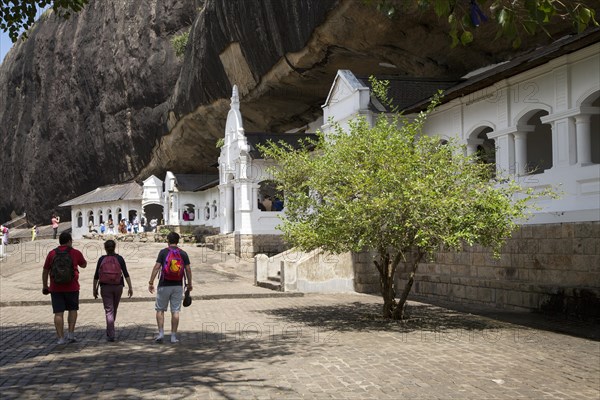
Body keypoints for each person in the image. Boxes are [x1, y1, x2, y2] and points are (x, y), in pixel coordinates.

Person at [42, 232, 87, 344]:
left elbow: (45, 270)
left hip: (55, 288)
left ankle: (60, 338)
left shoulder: (52, 253)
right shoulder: (75, 252)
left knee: (58, 313)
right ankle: (71, 334)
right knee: (72, 310)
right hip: (72, 287)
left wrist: (45, 285)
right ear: (69, 241)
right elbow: (84, 264)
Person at [148, 231, 192, 343]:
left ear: (168, 241)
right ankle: (173, 337)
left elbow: (157, 267)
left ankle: (161, 334)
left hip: (164, 284)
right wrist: (189, 284)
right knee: (175, 311)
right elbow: (187, 269)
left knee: (160, 309)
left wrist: (151, 282)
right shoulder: (183, 253)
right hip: (177, 285)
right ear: (178, 241)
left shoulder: (163, 252)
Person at [93, 240, 133, 342]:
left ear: (105, 248)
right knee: (113, 309)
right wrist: (130, 287)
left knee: (109, 310)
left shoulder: (101, 259)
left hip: (105, 287)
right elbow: (126, 273)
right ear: (115, 247)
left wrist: (94, 288)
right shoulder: (119, 258)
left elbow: (96, 276)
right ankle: (110, 330)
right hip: (118, 286)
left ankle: (110, 332)